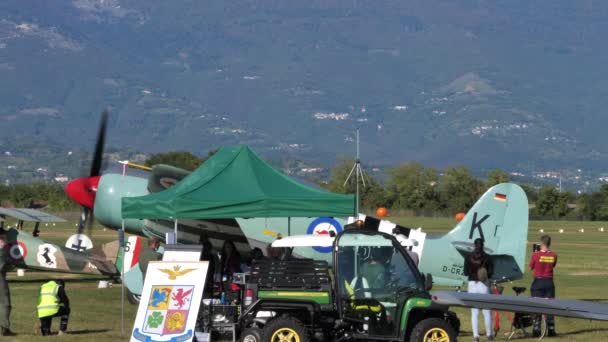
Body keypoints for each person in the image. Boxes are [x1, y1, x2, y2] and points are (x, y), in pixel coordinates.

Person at [463, 238, 494, 342]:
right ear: (483, 245)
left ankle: (476, 336)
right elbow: (491, 273)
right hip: (484, 285)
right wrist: (482, 274)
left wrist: (474, 274)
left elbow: (466, 272)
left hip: (472, 285)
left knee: (474, 313)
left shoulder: (468, 256)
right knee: (486, 312)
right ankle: (489, 335)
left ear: (474, 245)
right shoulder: (488, 257)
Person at [529, 235, 558, 337]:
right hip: (549, 282)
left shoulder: (535, 255)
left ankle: (536, 330)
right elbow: (553, 265)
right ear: (549, 243)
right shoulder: (554, 255)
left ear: (541, 243)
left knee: (536, 306)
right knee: (550, 306)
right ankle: (551, 329)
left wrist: (535, 253)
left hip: (538, 282)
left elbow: (531, 267)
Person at [0, 232, 14, 336]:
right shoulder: (1, 252)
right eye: (4, 239)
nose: (6, 241)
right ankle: (5, 328)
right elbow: (2, 266)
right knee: (6, 304)